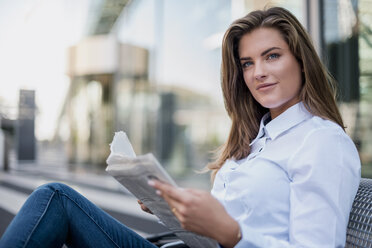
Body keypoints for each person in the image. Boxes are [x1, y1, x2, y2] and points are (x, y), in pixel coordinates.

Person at [0, 6, 360, 248]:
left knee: (54, 199)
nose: (258, 72)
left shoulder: (322, 142)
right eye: (247, 63)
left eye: (272, 56)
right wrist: (168, 206)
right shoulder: (255, 138)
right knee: (56, 198)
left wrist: (232, 234)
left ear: (302, 60)